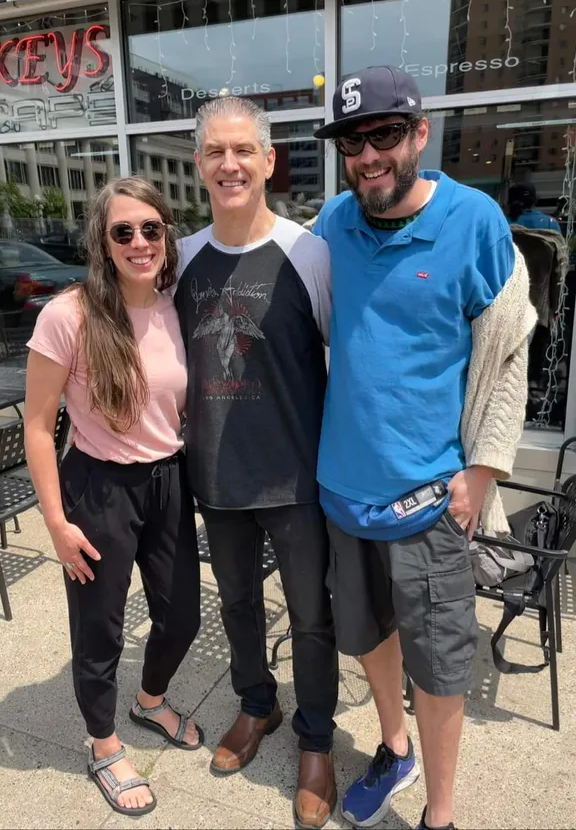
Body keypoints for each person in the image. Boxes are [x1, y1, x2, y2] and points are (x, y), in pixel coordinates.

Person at [310, 66, 536, 830]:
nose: (367, 156)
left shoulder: (475, 221)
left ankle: (440, 815)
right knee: (371, 638)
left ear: (418, 135)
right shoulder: (331, 222)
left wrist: (482, 472)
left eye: (381, 136)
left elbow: (510, 356)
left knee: (441, 667)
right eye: (351, 141)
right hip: (343, 491)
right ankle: (393, 747)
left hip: (434, 500)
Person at [174, 97, 338, 830]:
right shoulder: (178, 258)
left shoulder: (310, 254)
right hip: (215, 476)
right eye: (215, 151)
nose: (229, 164)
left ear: (269, 161)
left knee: (310, 618)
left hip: (296, 479)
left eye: (243, 150)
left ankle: (315, 743)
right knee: (237, 607)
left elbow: (345, 363)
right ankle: (256, 706)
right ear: (199, 163)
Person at [24, 177, 203, 818]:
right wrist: (55, 521)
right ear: (103, 241)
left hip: (168, 480)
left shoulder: (176, 304)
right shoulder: (68, 314)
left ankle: (148, 700)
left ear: (166, 235)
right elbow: (39, 426)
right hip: (97, 486)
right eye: (122, 230)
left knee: (182, 615)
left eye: (150, 228)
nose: (138, 241)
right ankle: (103, 744)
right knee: (99, 629)